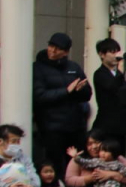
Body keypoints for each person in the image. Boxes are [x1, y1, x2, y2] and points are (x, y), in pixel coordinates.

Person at [31, 32, 91, 174]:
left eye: (58, 48)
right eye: (51, 46)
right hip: (51, 127)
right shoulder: (37, 67)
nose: (52, 50)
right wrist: (66, 91)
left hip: (75, 126)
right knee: (55, 164)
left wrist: (79, 90)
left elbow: (87, 94)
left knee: (76, 162)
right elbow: (39, 96)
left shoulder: (74, 67)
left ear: (65, 52)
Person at [91, 38, 126, 151]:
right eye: (112, 52)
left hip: (121, 127)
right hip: (106, 126)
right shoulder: (100, 74)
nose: (116, 55)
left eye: (117, 51)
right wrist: (120, 71)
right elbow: (111, 87)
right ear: (102, 54)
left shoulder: (118, 75)